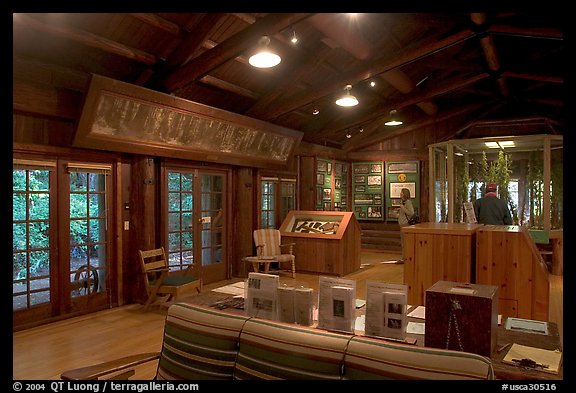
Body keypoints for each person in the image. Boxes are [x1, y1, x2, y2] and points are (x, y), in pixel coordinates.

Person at [397, 188, 414, 263]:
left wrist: (403, 208)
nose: (400, 194)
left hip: (405, 224)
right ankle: (404, 257)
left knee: (405, 242)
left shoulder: (408, 202)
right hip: (402, 224)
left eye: (401, 192)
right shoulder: (403, 202)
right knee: (403, 242)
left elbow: (411, 213)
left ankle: (405, 258)